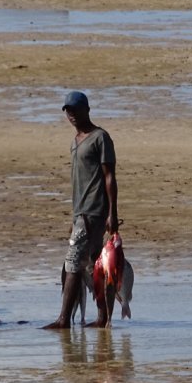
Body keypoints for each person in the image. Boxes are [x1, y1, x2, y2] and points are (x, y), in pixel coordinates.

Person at [45, 91, 119, 329]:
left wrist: (112, 213)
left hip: (95, 212)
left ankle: (64, 319)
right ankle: (103, 317)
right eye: (68, 111)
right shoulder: (75, 141)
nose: (72, 115)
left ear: (87, 109)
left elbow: (109, 177)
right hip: (81, 213)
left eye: (76, 109)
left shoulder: (100, 137)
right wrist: (75, 215)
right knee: (96, 266)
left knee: (73, 263)